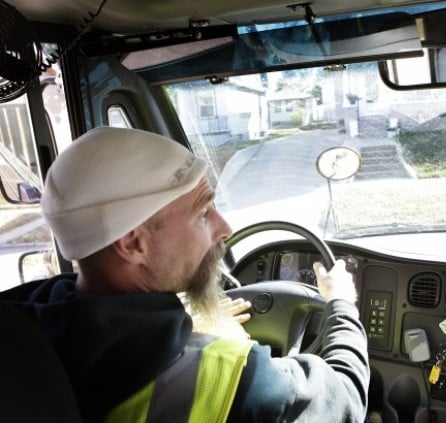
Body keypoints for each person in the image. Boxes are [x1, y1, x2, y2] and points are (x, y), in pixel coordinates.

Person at [0, 126, 370, 422]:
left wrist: (188, 325)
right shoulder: (227, 380)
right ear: (133, 244)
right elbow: (346, 399)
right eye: (203, 212)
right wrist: (341, 305)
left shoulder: (23, 331)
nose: (224, 227)